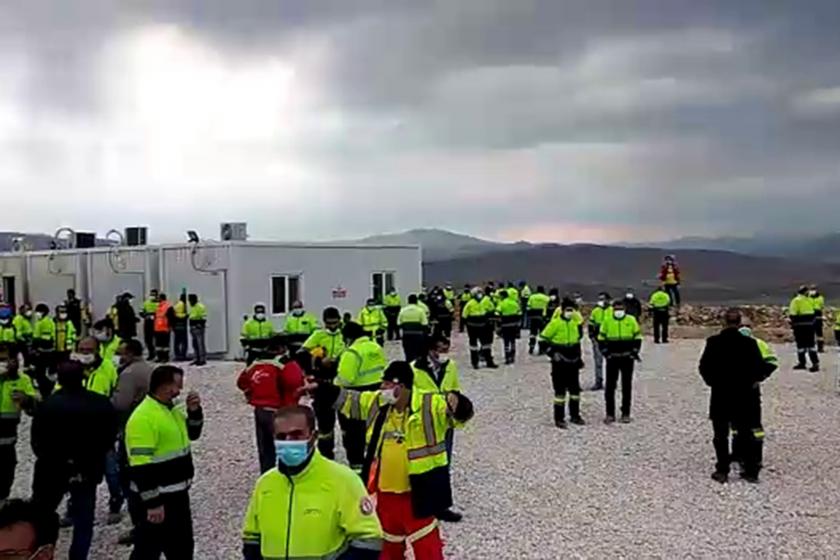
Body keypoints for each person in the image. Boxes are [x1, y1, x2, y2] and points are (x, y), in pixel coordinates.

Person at [312, 361, 474, 560]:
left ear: (402, 386)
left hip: (418, 493)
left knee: (428, 550)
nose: (382, 388)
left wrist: (459, 405)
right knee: (388, 548)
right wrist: (319, 388)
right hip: (386, 494)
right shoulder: (378, 403)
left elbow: (459, 417)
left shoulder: (429, 404)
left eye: (387, 384)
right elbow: (350, 400)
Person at [241, 405, 383, 560]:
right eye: (281, 437)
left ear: (313, 436)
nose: (289, 442)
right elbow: (252, 539)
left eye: (296, 435)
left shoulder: (343, 480)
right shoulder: (265, 484)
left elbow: (369, 540)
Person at [31, 360, 117, 560]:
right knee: (84, 520)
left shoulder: (48, 405)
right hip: (88, 467)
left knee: (44, 514)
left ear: (59, 379)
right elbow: (109, 437)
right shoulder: (101, 403)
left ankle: (45, 550)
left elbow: (37, 441)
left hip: (51, 469)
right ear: (84, 376)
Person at [125, 365, 203, 559]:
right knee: (148, 550)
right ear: (165, 386)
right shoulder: (143, 418)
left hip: (177, 494)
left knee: (182, 548)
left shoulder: (170, 411)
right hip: (158, 498)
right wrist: (153, 503)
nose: (180, 391)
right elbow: (140, 465)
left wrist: (194, 412)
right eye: (177, 386)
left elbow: (193, 434)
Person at [699, 309, 775, 483]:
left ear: (724, 322)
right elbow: (760, 367)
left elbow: (704, 367)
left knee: (720, 434)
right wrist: (754, 381)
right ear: (740, 323)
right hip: (745, 395)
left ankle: (722, 469)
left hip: (721, 394)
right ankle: (750, 470)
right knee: (746, 432)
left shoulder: (713, 342)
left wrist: (713, 383)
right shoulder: (750, 344)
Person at [412, 335, 464, 523]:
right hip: (423, 424)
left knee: (443, 463)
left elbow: (455, 390)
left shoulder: (451, 367)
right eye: (440, 350)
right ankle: (422, 504)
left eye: (445, 350)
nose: (443, 354)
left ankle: (442, 507)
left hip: (445, 422)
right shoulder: (414, 369)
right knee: (423, 464)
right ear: (430, 349)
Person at [237, 335, 305, 474]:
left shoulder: (256, 362)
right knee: (284, 447)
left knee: (265, 449)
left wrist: (252, 391)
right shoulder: (284, 363)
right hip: (280, 412)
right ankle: (286, 476)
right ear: (282, 348)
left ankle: (267, 476)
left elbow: (241, 382)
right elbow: (295, 381)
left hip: (260, 411)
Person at [111, 339, 154, 547]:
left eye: (120, 353)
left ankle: (140, 526)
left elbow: (120, 403)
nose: (118, 356)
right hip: (150, 427)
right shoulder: (150, 369)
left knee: (130, 478)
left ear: (129, 353)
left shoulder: (128, 374)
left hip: (131, 429)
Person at [335, 322, 387, 473]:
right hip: (375, 393)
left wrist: (333, 381)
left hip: (355, 396)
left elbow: (346, 379)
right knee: (373, 428)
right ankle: (374, 465)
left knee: (353, 434)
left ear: (348, 337)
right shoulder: (375, 347)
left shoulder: (352, 352)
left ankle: (357, 468)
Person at [300, 307, 346, 459]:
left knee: (347, 421)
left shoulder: (345, 335)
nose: (332, 327)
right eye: (329, 323)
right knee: (325, 424)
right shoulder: (318, 335)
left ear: (339, 320)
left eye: (335, 323)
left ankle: (353, 453)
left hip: (342, 381)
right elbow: (302, 354)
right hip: (322, 382)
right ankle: (326, 456)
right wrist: (319, 359)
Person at [0, 352, 38, 505]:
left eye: (5, 359)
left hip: (7, 438)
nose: (3, 363)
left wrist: (26, 400)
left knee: (5, 469)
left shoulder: (23, 380)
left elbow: (34, 409)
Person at [541, 300, 585, 428]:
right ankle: (559, 418)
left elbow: (577, 342)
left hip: (573, 361)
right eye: (568, 310)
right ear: (563, 310)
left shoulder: (574, 324)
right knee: (560, 391)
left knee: (575, 391)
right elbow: (542, 340)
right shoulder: (554, 324)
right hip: (559, 361)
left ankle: (575, 415)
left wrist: (579, 359)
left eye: (572, 310)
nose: (570, 313)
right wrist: (552, 353)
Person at [598, 301, 642, 424]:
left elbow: (637, 337)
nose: (618, 311)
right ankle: (610, 413)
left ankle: (626, 413)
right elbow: (601, 339)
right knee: (610, 386)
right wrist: (606, 353)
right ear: (613, 310)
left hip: (627, 358)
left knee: (626, 386)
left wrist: (634, 351)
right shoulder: (607, 321)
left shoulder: (631, 320)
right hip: (613, 358)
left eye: (621, 308)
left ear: (624, 309)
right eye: (616, 309)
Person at [461, 289, 498, 370]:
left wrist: (490, 318)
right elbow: (464, 315)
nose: (479, 295)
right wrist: (463, 326)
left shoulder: (486, 301)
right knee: (473, 345)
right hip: (472, 327)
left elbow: (492, 310)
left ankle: (489, 362)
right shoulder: (470, 303)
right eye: (477, 293)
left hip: (483, 326)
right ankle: (475, 362)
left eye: (480, 293)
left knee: (486, 344)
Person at [789, 285, 819, 372]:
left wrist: (793, 323)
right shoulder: (810, 300)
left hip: (799, 327)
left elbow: (793, 313)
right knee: (811, 345)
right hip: (810, 326)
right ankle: (815, 363)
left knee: (801, 345)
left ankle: (802, 363)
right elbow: (815, 312)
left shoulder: (796, 300)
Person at [587, 293, 611, 391]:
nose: (601, 301)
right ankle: (598, 381)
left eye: (603, 299)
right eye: (600, 299)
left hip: (609, 340)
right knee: (598, 362)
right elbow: (590, 324)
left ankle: (610, 382)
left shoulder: (612, 311)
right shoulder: (595, 311)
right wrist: (591, 336)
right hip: (597, 340)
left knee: (610, 363)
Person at [31, 304, 56, 399]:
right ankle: (46, 390)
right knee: (46, 372)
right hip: (47, 351)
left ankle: (45, 392)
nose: (36, 314)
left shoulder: (44, 323)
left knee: (40, 373)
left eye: (38, 312)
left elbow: (45, 339)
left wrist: (35, 345)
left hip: (43, 351)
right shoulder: (47, 321)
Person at [397, 294, 429, 363]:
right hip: (418, 335)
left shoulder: (403, 310)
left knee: (408, 353)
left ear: (408, 301)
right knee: (419, 353)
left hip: (406, 335)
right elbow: (425, 324)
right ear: (416, 301)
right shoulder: (420, 311)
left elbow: (398, 323)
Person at [497, 290, 521, 365]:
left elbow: (497, 312)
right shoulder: (514, 303)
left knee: (506, 342)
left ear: (502, 296)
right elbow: (519, 313)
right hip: (514, 325)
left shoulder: (502, 303)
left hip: (505, 325)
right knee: (513, 341)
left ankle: (507, 357)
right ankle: (512, 356)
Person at [526, 286, 550, 355]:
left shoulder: (532, 297)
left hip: (533, 317)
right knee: (542, 334)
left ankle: (531, 347)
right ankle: (541, 349)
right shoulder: (546, 298)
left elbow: (528, 307)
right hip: (542, 317)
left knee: (533, 333)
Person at [152, 294, 175, 364]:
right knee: (158, 344)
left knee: (165, 345)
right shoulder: (158, 306)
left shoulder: (168, 307)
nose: (157, 299)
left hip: (164, 328)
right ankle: (160, 357)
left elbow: (171, 317)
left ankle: (165, 357)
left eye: (158, 298)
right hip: (157, 328)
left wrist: (170, 326)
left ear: (162, 298)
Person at [187, 294, 207, 366]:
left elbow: (204, 317)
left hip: (198, 327)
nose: (189, 302)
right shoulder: (192, 307)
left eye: (190, 300)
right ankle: (196, 358)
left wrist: (199, 324)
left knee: (200, 344)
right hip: (192, 326)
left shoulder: (200, 306)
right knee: (194, 344)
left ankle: (202, 359)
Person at [140, 290, 159, 361]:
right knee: (148, 339)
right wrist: (145, 316)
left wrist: (154, 315)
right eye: (152, 294)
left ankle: (158, 354)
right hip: (148, 323)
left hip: (157, 323)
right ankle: (151, 354)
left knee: (157, 340)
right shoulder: (146, 303)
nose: (153, 296)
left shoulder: (159, 303)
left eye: (154, 295)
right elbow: (141, 312)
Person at [172, 294, 189, 362]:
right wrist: (186, 316)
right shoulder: (185, 305)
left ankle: (177, 355)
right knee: (184, 341)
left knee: (177, 341)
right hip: (183, 324)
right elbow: (187, 314)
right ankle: (183, 355)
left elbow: (173, 313)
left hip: (176, 324)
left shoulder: (177, 305)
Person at [810, 285, 826, 353]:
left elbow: (821, 306)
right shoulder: (819, 298)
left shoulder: (820, 298)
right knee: (812, 333)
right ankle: (814, 347)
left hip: (816, 315)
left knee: (819, 333)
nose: (812, 291)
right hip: (812, 315)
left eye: (813, 289)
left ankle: (820, 347)